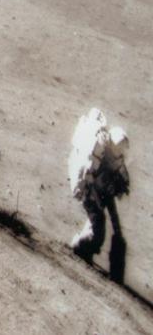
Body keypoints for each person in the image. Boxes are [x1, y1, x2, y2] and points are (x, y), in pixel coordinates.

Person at [68, 107, 131, 283]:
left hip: (102, 189)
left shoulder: (113, 155)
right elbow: (87, 177)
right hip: (92, 189)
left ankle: (85, 244)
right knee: (99, 229)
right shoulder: (97, 153)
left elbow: (119, 171)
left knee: (113, 227)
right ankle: (80, 247)